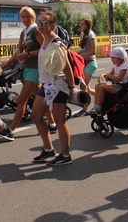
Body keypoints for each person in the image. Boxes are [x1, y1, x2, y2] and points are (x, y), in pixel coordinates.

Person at [0, 7, 57, 141]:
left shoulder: (36, 30)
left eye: (28, 17)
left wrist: (28, 54)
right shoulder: (24, 32)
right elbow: (19, 50)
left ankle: (11, 131)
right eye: (23, 17)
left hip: (36, 68)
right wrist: (8, 62)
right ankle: (52, 124)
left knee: (22, 100)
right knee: (40, 97)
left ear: (33, 18)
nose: (25, 19)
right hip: (27, 68)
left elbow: (44, 48)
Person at [31, 10, 75, 165]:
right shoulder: (43, 41)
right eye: (39, 22)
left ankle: (65, 154)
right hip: (47, 84)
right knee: (35, 116)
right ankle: (48, 149)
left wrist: (72, 87)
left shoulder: (57, 44)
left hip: (58, 85)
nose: (40, 25)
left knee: (59, 120)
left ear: (52, 25)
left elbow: (68, 68)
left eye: (44, 22)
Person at [88, 47, 128, 114]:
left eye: (113, 58)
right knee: (97, 85)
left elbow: (119, 78)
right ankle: (95, 106)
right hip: (115, 85)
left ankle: (99, 107)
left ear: (120, 58)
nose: (112, 60)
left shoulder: (124, 66)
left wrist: (108, 75)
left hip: (121, 87)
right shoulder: (116, 65)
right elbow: (110, 74)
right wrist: (104, 75)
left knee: (102, 87)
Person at [75, 17, 97, 116]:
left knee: (82, 86)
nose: (80, 26)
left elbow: (93, 51)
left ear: (87, 25)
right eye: (80, 24)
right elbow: (83, 49)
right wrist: (74, 54)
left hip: (91, 62)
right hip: (84, 61)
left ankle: (84, 109)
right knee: (87, 88)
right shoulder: (83, 34)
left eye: (82, 24)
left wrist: (80, 55)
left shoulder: (91, 35)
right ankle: (102, 96)